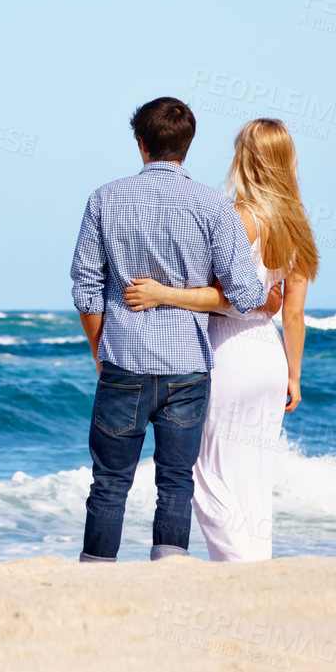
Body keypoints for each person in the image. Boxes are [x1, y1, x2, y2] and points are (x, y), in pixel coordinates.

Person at [68, 98, 267, 562]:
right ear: (187, 146)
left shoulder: (104, 198)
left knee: (110, 482)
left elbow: (86, 288)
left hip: (123, 359)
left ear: (140, 143)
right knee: (175, 480)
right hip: (188, 367)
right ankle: (170, 571)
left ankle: (96, 574)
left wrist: (100, 348)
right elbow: (246, 294)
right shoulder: (213, 206)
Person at [122, 118, 319, 561]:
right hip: (270, 360)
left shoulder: (236, 216)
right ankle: (256, 564)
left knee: (204, 472)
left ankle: (239, 567)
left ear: (246, 157)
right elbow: (291, 313)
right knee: (252, 476)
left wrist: (161, 293)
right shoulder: (299, 226)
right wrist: (294, 376)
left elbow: (221, 295)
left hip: (228, 352)